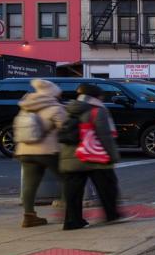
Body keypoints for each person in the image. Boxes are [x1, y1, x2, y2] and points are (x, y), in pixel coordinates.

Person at [59, 83, 124, 230]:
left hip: (71, 157)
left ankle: (72, 221)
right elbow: (104, 136)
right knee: (107, 186)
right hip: (94, 157)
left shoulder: (68, 109)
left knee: (73, 192)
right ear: (96, 96)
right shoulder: (98, 111)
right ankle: (111, 214)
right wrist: (113, 156)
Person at [14, 79, 68, 227]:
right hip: (48, 151)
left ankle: (29, 216)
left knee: (30, 184)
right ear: (53, 94)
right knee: (67, 178)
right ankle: (67, 213)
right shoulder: (56, 108)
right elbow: (66, 129)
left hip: (24, 150)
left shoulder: (26, 106)